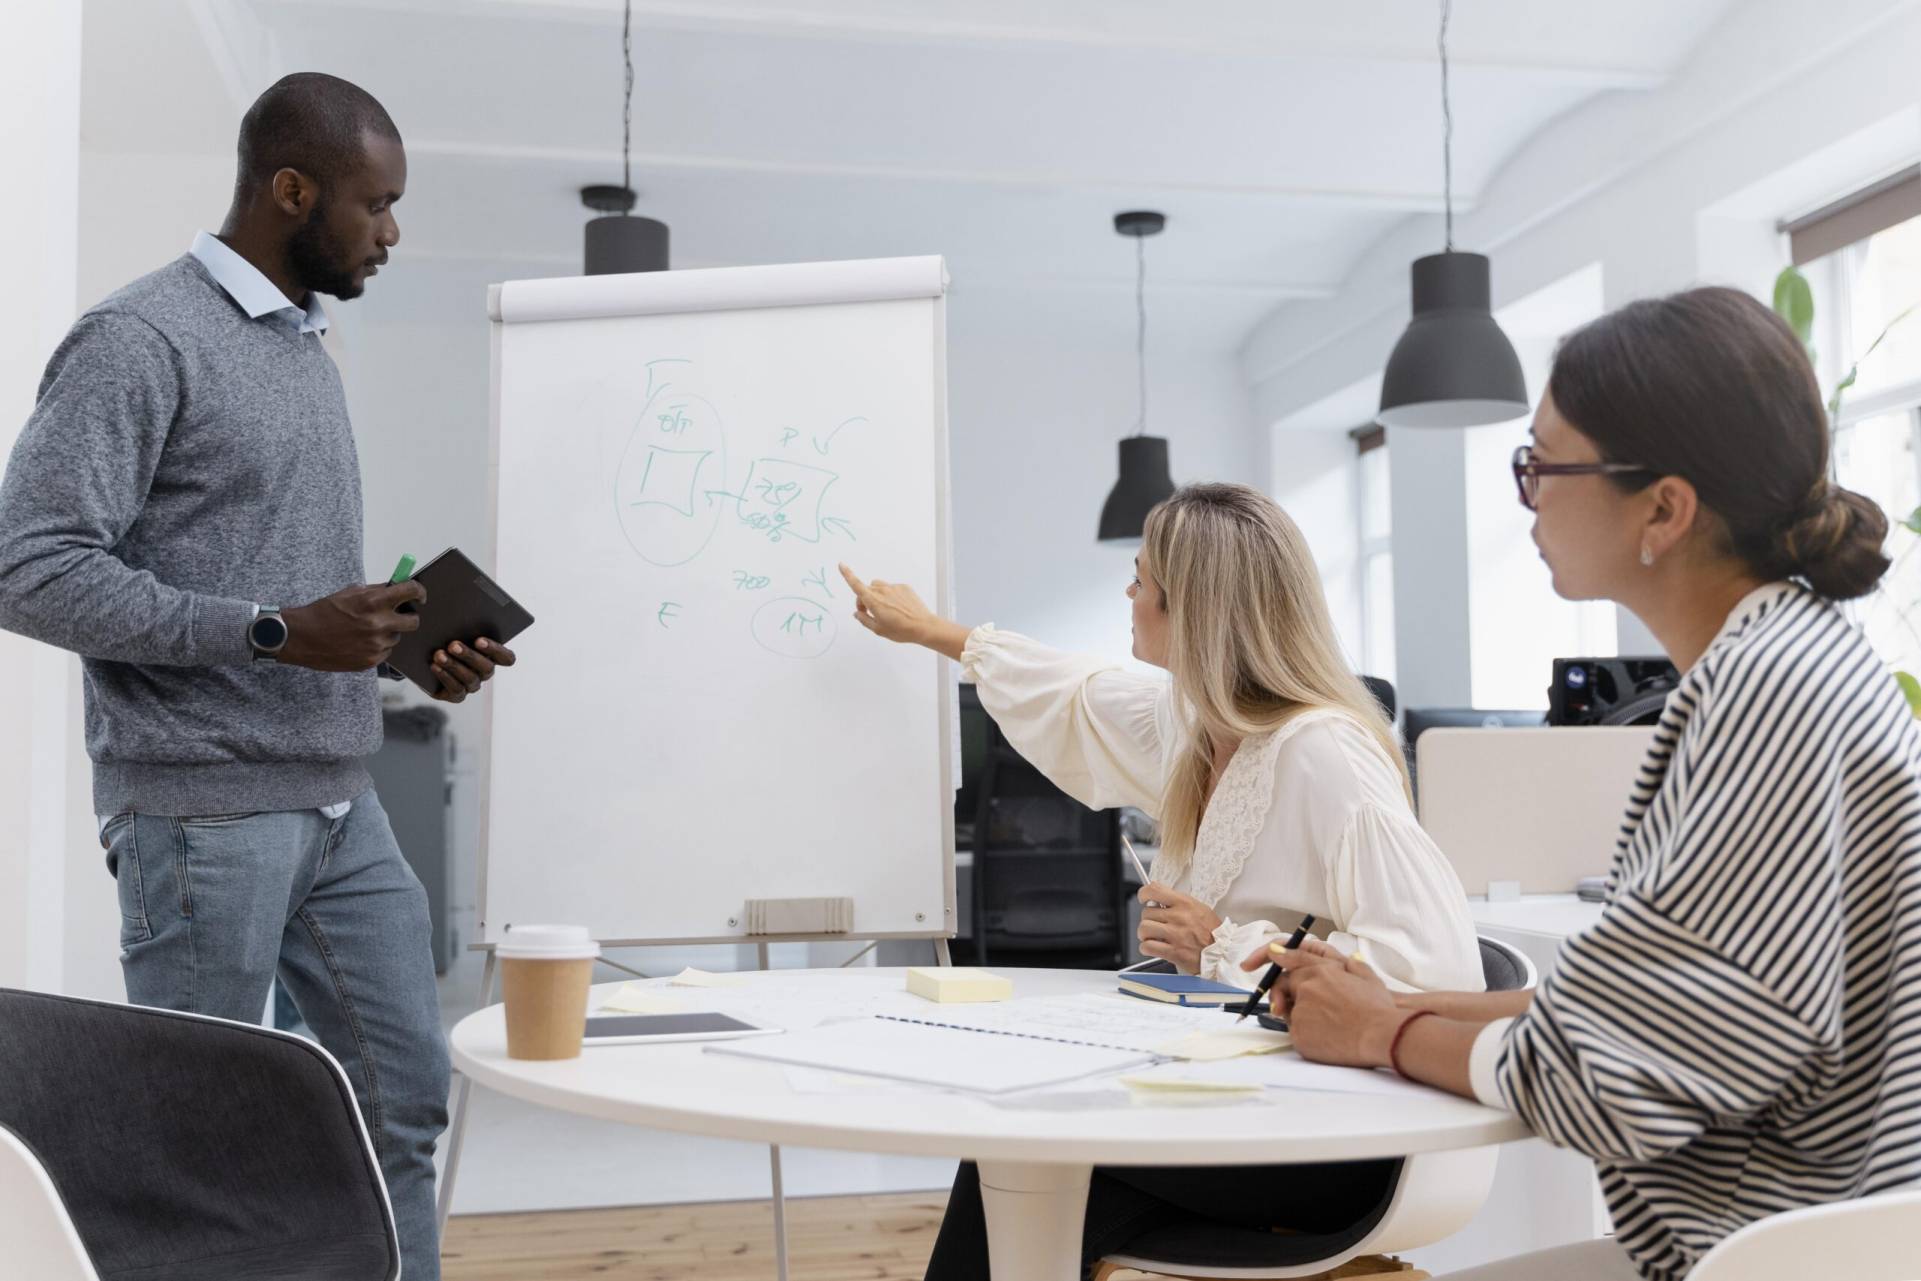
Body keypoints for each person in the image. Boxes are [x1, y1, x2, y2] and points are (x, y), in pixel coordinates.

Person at [1267, 286, 1921, 1281]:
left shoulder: (1768, 695)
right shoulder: (1789, 660)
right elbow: (1635, 1008)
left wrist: (1382, 1032)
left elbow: (1607, 1082)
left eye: (1540, 466)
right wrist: (1400, 1001)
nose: (1525, 497)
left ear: (1663, 507)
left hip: (1780, 1252)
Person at [0, 73, 512, 1279]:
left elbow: (279, 590)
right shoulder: (140, 338)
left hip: (343, 803)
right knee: (200, 1153)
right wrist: (277, 632)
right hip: (202, 814)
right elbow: (26, 568)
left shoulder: (303, 349)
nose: (391, 233)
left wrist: (403, 648)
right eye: (374, 206)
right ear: (292, 190)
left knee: (402, 1106)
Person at [838, 481, 1482, 1277]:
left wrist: (1222, 943)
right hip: (1244, 1110)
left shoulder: (1324, 755)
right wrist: (933, 632)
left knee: (1027, 1159)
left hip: (1333, 1143)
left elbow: (1432, 971)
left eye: (1141, 580)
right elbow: (1075, 691)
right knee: (1024, 1164)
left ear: (1195, 610)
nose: (1127, 592)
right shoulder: (1197, 725)